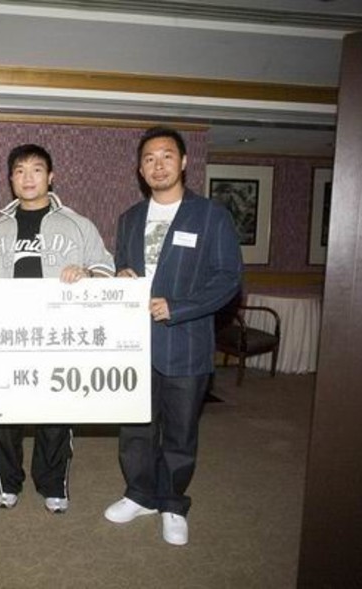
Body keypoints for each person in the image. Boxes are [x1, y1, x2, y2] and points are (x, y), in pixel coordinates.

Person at [103, 126, 242, 546]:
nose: (157, 165)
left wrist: (178, 308)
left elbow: (228, 279)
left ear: (183, 162)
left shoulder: (210, 214)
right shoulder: (130, 218)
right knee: (135, 428)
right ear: (140, 169)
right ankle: (140, 493)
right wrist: (122, 276)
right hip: (135, 344)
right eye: (149, 159)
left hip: (186, 342)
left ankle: (172, 503)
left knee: (180, 432)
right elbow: (126, 269)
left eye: (166, 156)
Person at [0, 143, 115, 514]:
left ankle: (53, 483)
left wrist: (87, 273)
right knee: (3, 414)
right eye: (19, 170)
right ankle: (7, 481)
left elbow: (107, 269)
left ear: (51, 177)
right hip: (6, 337)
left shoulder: (79, 225)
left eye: (36, 170)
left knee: (56, 413)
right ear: (10, 179)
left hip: (59, 338)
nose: (28, 177)